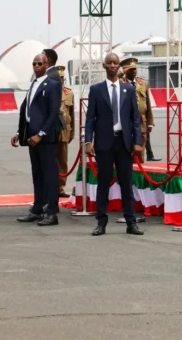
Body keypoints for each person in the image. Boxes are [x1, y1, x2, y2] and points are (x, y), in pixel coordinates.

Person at [84, 53, 144, 236]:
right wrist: (88, 141)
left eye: (115, 63)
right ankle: (101, 222)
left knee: (126, 183)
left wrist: (137, 141)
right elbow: (90, 119)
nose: (112, 65)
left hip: (124, 143)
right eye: (109, 62)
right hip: (104, 143)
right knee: (103, 183)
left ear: (119, 66)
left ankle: (131, 222)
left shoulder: (128, 89)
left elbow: (135, 118)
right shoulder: (96, 90)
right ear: (104, 65)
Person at [11, 54, 62, 226]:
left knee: (50, 175)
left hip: (45, 138)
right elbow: (27, 110)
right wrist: (20, 132)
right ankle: (37, 209)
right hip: (31, 137)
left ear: (47, 64)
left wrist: (41, 134)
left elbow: (53, 113)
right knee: (37, 174)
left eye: (40, 63)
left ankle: (52, 212)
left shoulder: (53, 85)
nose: (36, 66)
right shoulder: (33, 84)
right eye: (34, 64)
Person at [120, 57, 158, 162]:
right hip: (126, 121)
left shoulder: (143, 83)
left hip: (141, 121)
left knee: (140, 152)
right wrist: (120, 74)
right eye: (130, 69)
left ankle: (139, 174)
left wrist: (150, 122)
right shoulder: (120, 83)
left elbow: (148, 104)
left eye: (135, 69)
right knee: (126, 152)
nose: (133, 72)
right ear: (125, 70)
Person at [57, 66, 75, 198]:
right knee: (50, 162)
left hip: (64, 132)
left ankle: (60, 188)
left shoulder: (69, 93)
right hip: (51, 133)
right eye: (59, 78)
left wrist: (72, 132)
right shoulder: (48, 91)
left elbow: (72, 115)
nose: (61, 81)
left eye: (63, 78)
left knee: (63, 161)